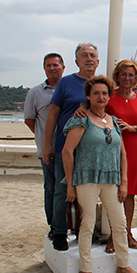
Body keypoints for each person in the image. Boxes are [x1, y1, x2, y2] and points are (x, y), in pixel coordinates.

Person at [62, 75, 137, 273]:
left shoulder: (114, 121)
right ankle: (86, 271)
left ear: (109, 97)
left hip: (111, 179)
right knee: (88, 223)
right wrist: (70, 185)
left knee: (119, 222)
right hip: (86, 178)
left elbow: (122, 153)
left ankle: (124, 266)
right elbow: (67, 152)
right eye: (96, 93)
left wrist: (123, 181)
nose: (101, 97)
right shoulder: (81, 119)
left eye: (105, 93)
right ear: (88, 96)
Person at [42, 42, 99, 251]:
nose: (89, 58)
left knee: (89, 191)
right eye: (84, 55)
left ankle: (85, 229)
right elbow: (53, 115)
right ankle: (59, 232)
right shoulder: (66, 83)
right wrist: (47, 145)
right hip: (65, 146)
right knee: (61, 190)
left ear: (98, 60)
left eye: (92, 55)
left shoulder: (103, 84)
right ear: (77, 61)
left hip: (92, 149)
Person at [105, 59, 137, 252]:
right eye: (123, 74)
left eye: (131, 74)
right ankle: (112, 235)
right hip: (113, 149)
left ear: (136, 77)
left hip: (135, 149)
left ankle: (126, 233)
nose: (127, 78)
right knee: (112, 193)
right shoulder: (109, 97)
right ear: (117, 75)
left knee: (130, 193)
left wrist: (133, 128)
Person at [24, 53, 65, 239]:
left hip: (69, 148)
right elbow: (29, 120)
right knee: (51, 188)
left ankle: (70, 223)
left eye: (55, 65)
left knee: (68, 189)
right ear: (44, 69)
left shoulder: (69, 88)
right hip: (48, 150)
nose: (52, 68)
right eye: (48, 65)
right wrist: (44, 138)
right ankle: (54, 226)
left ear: (63, 67)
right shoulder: (35, 92)